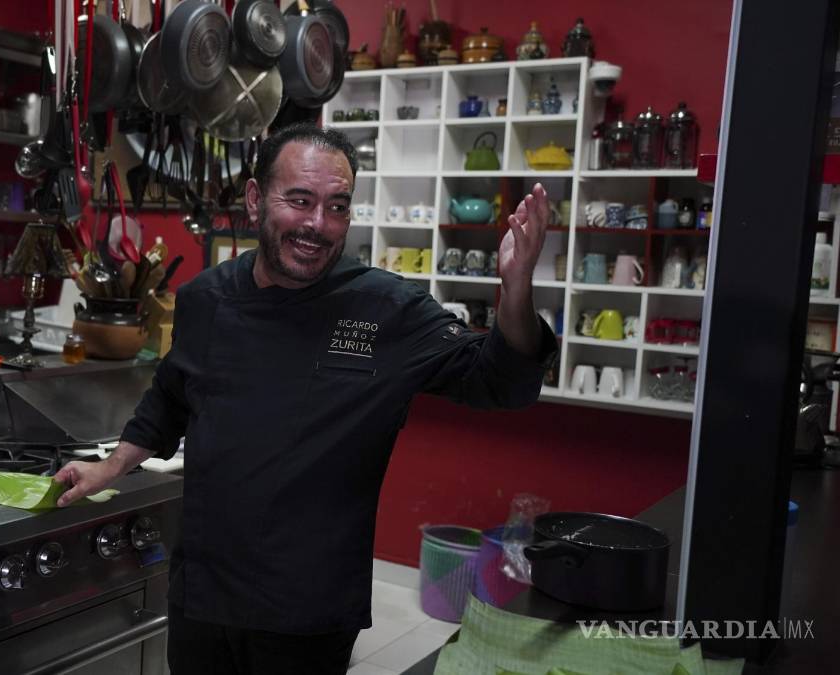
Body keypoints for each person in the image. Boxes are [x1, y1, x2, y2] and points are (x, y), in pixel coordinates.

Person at [53, 123, 557, 674]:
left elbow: (501, 380)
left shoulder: (386, 310)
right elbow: (170, 397)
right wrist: (110, 467)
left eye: (336, 206)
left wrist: (515, 291)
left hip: (309, 611)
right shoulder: (205, 299)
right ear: (255, 199)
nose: (318, 224)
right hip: (205, 592)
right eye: (299, 200)